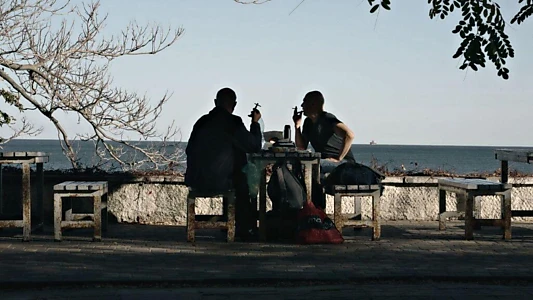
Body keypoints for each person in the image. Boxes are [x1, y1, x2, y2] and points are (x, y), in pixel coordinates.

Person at [185, 87, 262, 240]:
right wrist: (255, 123)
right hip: (221, 181)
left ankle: (231, 222)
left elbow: (189, 150)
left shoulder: (201, 122)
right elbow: (253, 146)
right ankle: (245, 228)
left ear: (215, 102)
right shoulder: (233, 122)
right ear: (234, 105)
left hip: (196, 179)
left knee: (232, 158)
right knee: (242, 178)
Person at [292, 90, 356, 208]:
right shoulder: (308, 123)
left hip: (344, 164)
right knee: (301, 167)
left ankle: (318, 209)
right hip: (324, 163)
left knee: (314, 167)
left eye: (304, 102)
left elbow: (350, 135)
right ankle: (310, 207)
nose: (302, 106)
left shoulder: (328, 119)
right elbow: (301, 147)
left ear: (314, 104)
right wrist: (297, 127)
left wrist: (339, 158)